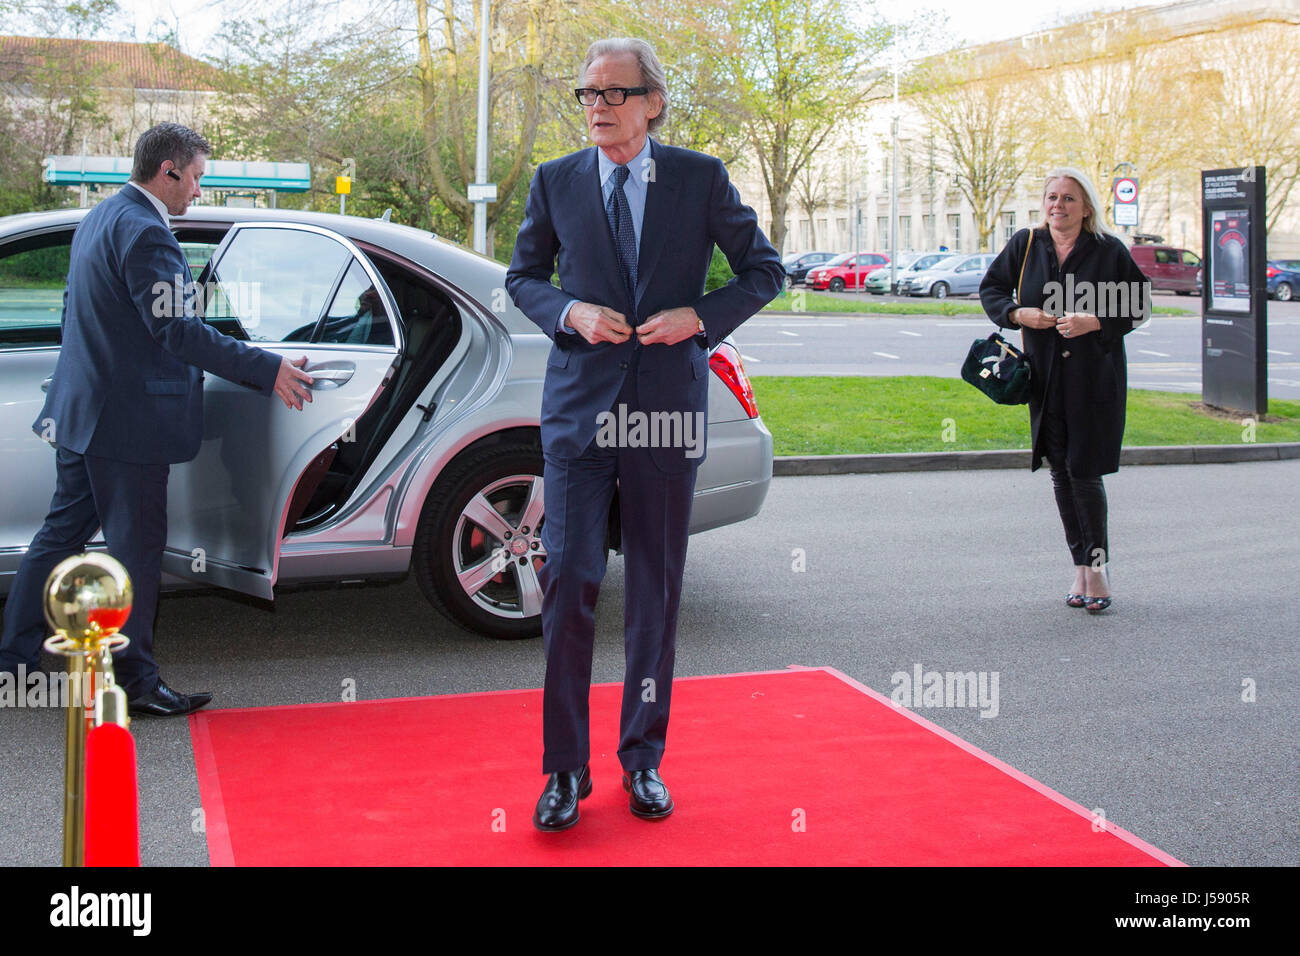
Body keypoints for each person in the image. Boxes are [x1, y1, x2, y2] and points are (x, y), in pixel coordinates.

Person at [506, 38, 783, 830]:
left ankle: (643, 761)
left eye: (613, 93)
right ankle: (564, 771)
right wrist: (569, 311)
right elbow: (523, 277)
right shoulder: (556, 181)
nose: (596, 105)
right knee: (570, 586)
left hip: (665, 413)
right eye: (586, 93)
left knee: (656, 594)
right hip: (577, 417)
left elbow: (764, 270)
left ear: (653, 102)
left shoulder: (699, 178)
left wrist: (703, 318)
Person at [0, 123, 315, 716]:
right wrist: (266, 368)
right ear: (167, 170)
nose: (198, 190)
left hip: (84, 412)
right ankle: (137, 684)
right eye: (196, 177)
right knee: (137, 552)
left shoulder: (99, 217)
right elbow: (177, 329)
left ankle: (12, 662)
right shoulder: (147, 233)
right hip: (128, 426)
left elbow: (79, 312)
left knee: (58, 537)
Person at [979, 166, 1150, 613]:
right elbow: (993, 289)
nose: (1058, 205)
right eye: (1052, 197)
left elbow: (1139, 304)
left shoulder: (1107, 250)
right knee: (1059, 470)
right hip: (1045, 377)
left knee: (1084, 469)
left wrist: (1096, 321)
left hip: (1094, 379)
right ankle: (1080, 566)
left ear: (1087, 206)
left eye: (1069, 198)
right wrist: (1018, 315)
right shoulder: (1027, 243)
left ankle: (1097, 568)